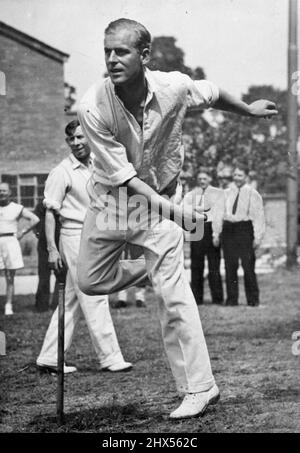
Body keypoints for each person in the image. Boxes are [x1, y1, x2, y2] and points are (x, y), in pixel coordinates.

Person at [77, 18, 277, 418]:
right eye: (107, 52)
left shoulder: (173, 86)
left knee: (174, 297)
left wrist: (248, 111)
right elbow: (128, 180)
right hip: (114, 201)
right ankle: (153, 269)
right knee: (89, 280)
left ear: (145, 55)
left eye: (122, 51)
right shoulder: (91, 105)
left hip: (160, 202)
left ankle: (200, 387)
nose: (112, 59)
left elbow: (212, 93)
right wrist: (180, 214)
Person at [36, 119, 132, 374]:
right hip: (74, 236)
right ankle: (110, 358)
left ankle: (48, 357)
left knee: (71, 300)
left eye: (80, 137)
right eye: (71, 139)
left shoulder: (98, 165)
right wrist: (52, 249)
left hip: (96, 234)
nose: (76, 143)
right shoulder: (62, 171)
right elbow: (49, 212)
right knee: (95, 293)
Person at [222, 163, 265, 306]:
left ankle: (253, 300)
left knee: (248, 266)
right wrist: (218, 233)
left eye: (240, 175)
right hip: (229, 229)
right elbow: (220, 213)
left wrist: (258, 237)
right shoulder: (227, 192)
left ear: (246, 177)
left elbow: (258, 217)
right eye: (235, 175)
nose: (236, 178)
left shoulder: (253, 193)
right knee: (230, 266)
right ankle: (232, 300)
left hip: (244, 229)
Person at [183, 170, 224, 305]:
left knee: (214, 265)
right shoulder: (191, 194)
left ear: (210, 179)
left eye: (204, 178)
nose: (202, 181)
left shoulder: (217, 194)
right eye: (200, 178)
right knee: (196, 265)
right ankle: (197, 298)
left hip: (211, 228)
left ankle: (217, 298)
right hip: (197, 227)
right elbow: (184, 212)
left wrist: (216, 234)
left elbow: (218, 215)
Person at [0, 182, 39, 315]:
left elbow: (35, 219)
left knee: (10, 276)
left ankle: (8, 305)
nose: (1, 193)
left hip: (10, 242)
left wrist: (22, 231)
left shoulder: (16, 208)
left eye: (4, 191)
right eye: (0, 191)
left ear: (10, 192)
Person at [33, 200, 59, 312]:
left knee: (61, 274)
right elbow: (34, 221)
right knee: (43, 275)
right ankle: (41, 305)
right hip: (44, 244)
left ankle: (58, 304)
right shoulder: (41, 204)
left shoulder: (63, 203)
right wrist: (37, 232)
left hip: (60, 242)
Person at [114, 244, 146, 308]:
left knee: (139, 266)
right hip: (124, 240)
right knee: (123, 267)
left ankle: (140, 299)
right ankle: (122, 299)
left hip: (137, 240)